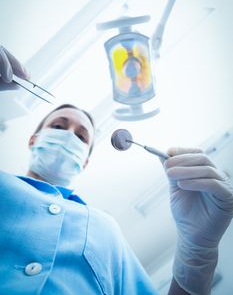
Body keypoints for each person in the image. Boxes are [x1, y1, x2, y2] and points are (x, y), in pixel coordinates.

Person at [0, 45, 233, 295]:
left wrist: (197, 253)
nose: (69, 136)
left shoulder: (106, 229)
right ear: (33, 140)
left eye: (81, 137)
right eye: (58, 126)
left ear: (84, 161)